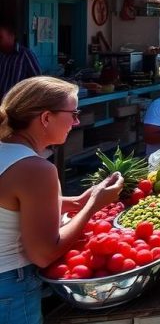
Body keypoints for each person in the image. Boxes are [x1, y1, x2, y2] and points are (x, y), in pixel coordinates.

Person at [0, 77, 124, 323]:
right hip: (10, 287)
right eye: (74, 113)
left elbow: (11, 204)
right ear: (46, 118)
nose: (76, 122)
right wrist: (92, 206)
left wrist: (77, 201)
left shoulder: (7, 154)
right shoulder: (36, 169)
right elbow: (43, 254)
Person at [0, 24, 41, 101]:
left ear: (12, 36)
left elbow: (38, 82)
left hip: (17, 105)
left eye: (0, 37)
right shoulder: (2, 56)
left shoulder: (26, 55)